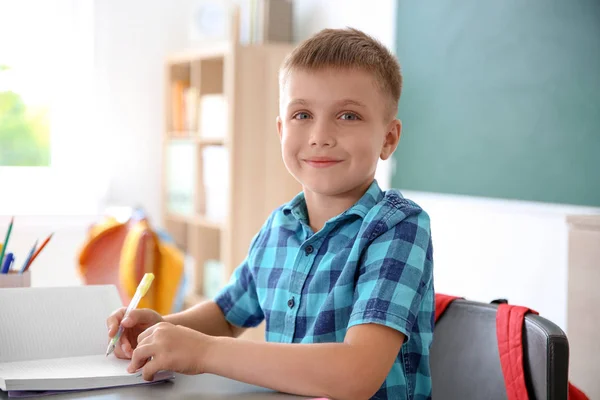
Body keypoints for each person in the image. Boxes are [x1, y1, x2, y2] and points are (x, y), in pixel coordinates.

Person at [107, 27, 435, 400]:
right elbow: (226, 316)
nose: (320, 135)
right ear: (281, 130)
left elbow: (356, 373)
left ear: (389, 138)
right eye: (302, 114)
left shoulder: (398, 228)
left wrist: (204, 352)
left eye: (347, 115)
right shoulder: (278, 228)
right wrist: (161, 329)